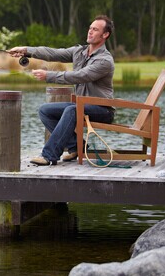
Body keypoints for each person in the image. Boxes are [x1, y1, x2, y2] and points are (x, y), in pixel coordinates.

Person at [8, 15, 115, 166]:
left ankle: (49, 155)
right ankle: (76, 147)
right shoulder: (79, 52)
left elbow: (80, 76)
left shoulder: (104, 60)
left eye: (95, 29)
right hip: (81, 106)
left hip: (102, 110)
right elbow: (53, 53)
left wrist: (48, 76)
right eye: (90, 28)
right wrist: (26, 50)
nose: (90, 31)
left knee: (72, 110)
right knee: (45, 110)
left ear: (105, 35)